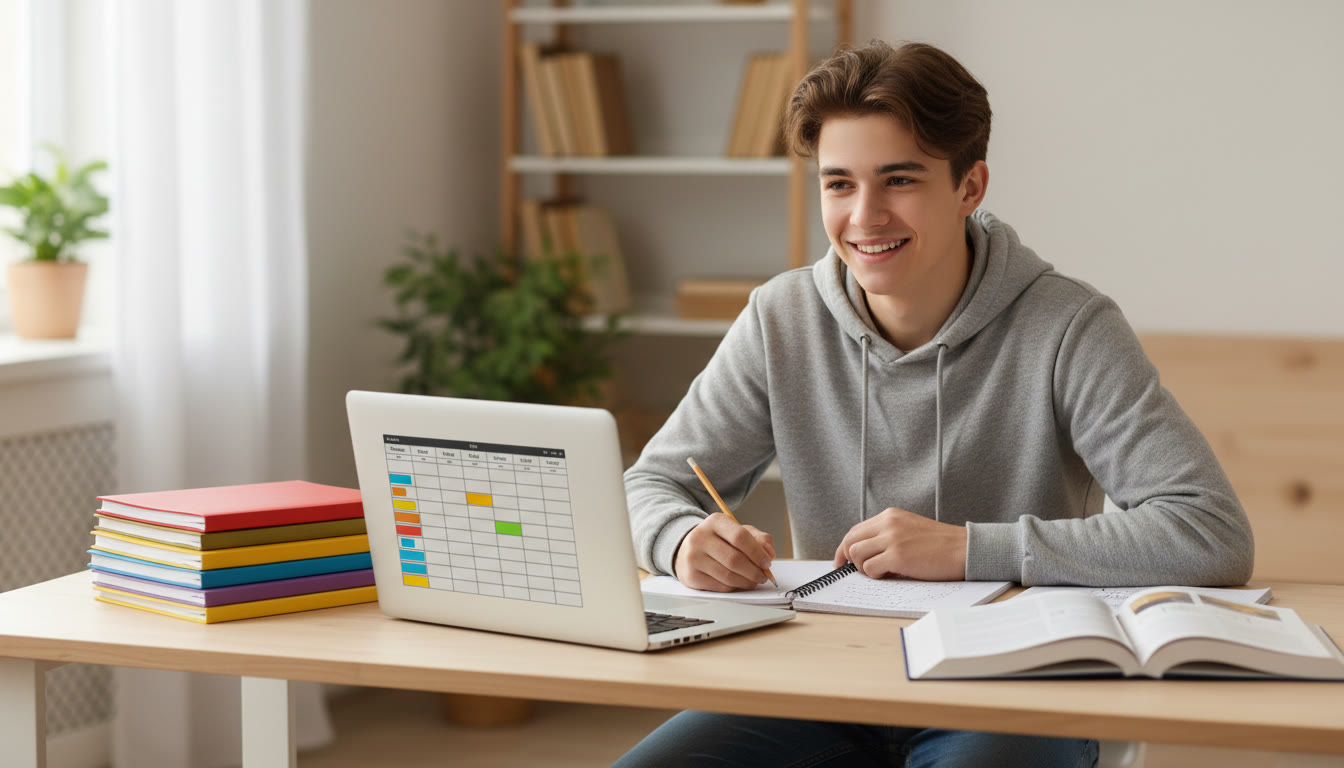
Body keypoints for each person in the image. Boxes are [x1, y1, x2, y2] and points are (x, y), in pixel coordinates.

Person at [614, 39, 1253, 768]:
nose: (864, 217)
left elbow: (1209, 530)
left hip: (1011, 689)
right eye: (839, 184)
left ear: (969, 188)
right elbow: (650, 484)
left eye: (899, 180)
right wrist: (678, 540)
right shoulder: (780, 319)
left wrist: (969, 550)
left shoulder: (1069, 327)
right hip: (822, 683)